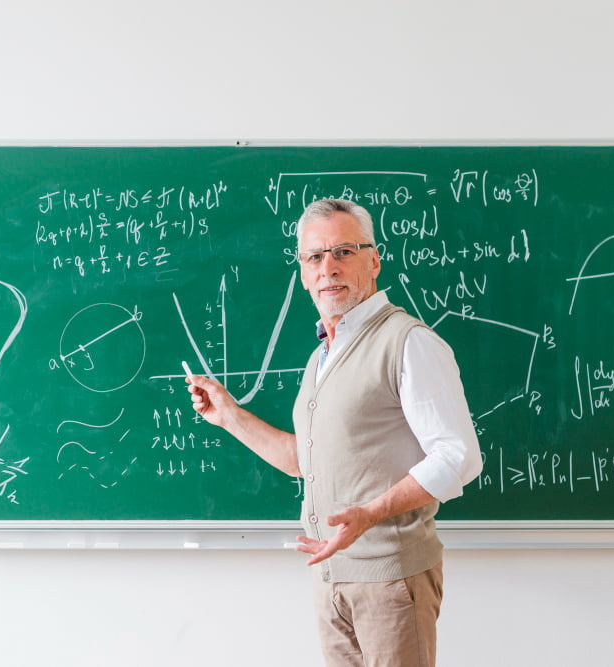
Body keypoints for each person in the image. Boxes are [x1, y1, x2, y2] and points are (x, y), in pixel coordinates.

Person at [186, 198, 482, 667]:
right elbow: (305, 461)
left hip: (391, 578)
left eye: (344, 252)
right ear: (303, 273)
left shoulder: (408, 342)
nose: (329, 268)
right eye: (315, 257)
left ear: (375, 260)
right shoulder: (322, 357)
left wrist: (371, 512)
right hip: (330, 578)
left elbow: (458, 456)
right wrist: (229, 415)